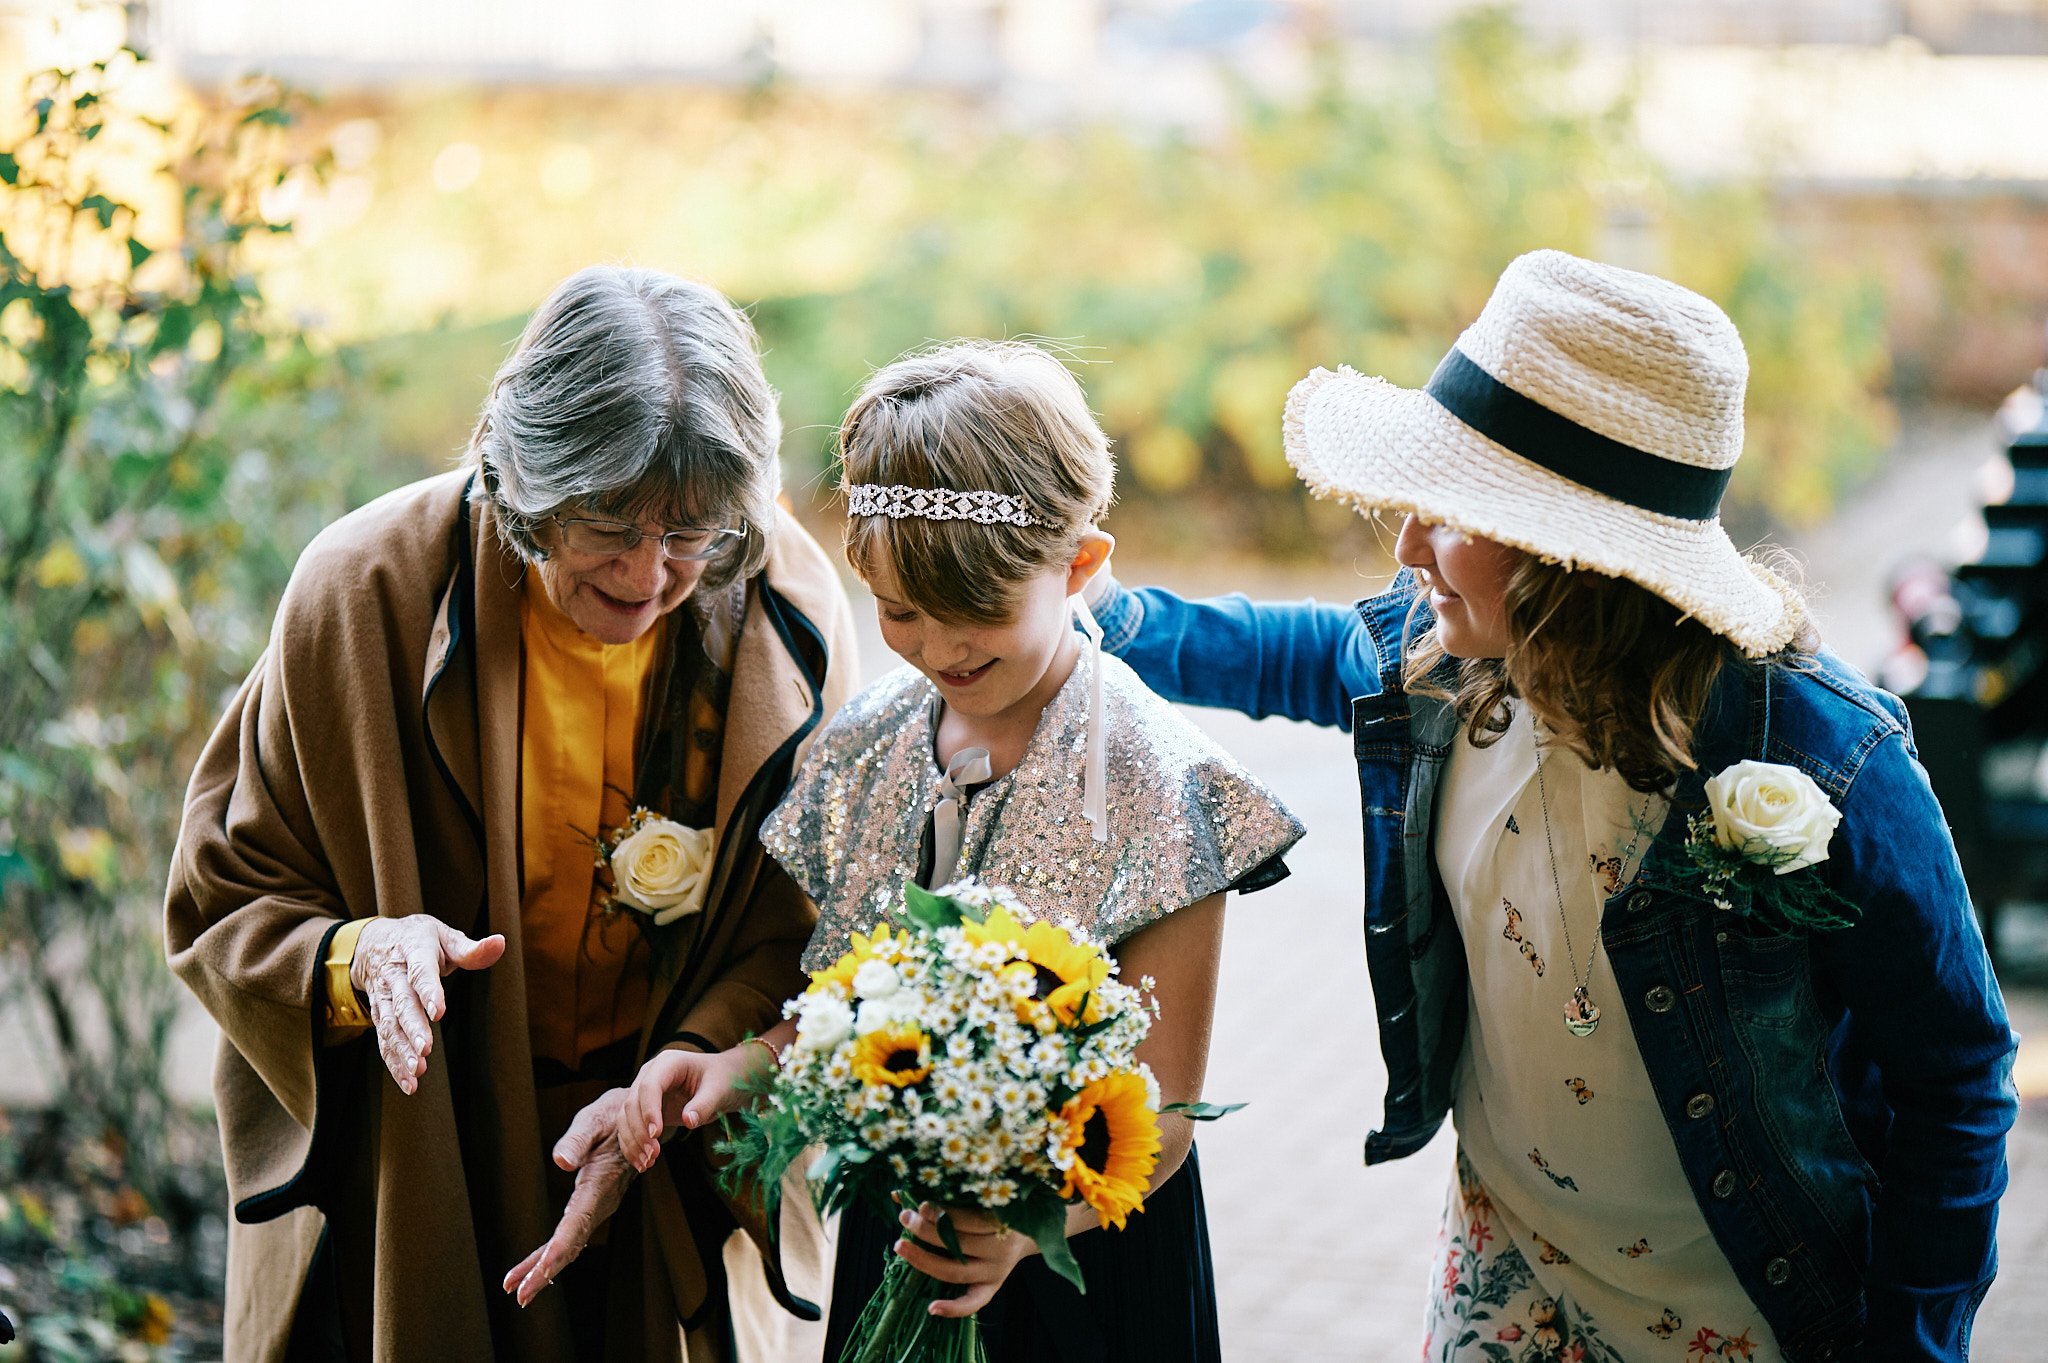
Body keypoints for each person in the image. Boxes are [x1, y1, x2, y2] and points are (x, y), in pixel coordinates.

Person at [1082, 251, 2018, 1361]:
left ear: (1571, 558)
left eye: (1448, 513)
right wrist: (1092, 615)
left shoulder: (1814, 750)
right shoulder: (1440, 667)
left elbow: (1952, 1071)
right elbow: (1281, 653)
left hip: (1750, 1304)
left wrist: (1912, 1343)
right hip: (1507, 1263)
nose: (1404, 545)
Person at [521, 339, 1304, 1359]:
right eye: (897, 613)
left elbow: (1158, 1108)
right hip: (904, 1227)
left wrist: (1024, 1233)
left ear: (1079, 566)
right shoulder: (867, 750)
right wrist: (734, 1068)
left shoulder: (1160, 783)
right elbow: (846, 1013)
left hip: (1085, 1251)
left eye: (976, 616)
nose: (936, 650)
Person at [164, 265, 860, 1363]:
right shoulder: (361, 593)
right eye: (609, 525)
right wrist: (359, 957)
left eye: (689, 532)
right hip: (425, 1156)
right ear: (525, 477)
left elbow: (805, 930)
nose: (651, 575)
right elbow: (222, 898)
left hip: (663, 1158)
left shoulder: (786, 610)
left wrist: (676, 1074)